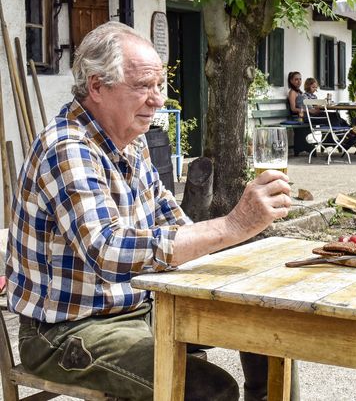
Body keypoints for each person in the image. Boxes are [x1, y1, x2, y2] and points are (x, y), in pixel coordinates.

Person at [4, 22, 293, 401]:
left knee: (266, 323)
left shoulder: (131, 145)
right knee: (210, 391)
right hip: (64, 332)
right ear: (96, 87)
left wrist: (238, 250)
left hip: (142, 310)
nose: (157, 99)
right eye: (142, 86)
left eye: (158, 85)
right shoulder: (68, 147)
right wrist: (233, 224)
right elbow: (107, 250)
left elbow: (174, 225)